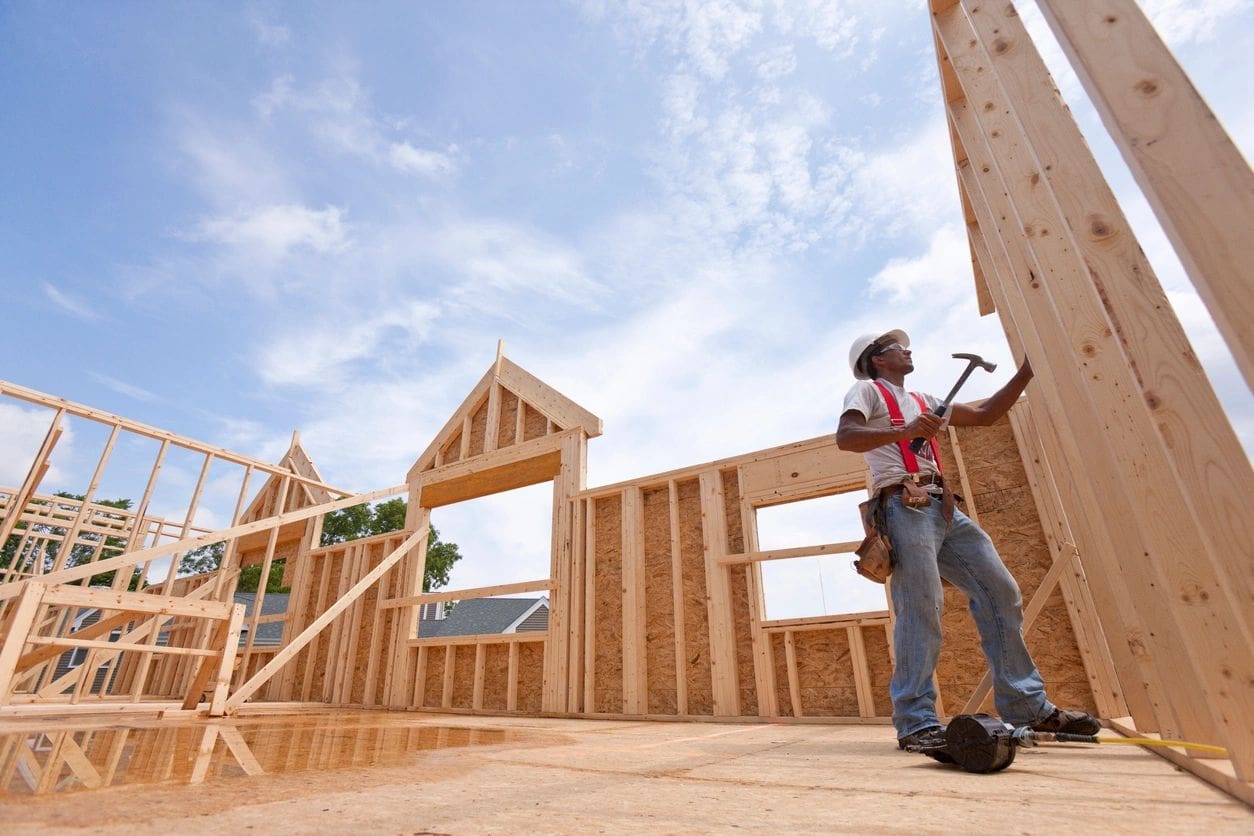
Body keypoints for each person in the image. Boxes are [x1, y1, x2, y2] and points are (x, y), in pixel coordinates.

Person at [836, 328, 1099, 753]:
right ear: (877, 360)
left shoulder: (924, 400)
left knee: (1001, 592)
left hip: (943, 507)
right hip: (903, 504)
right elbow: (846, 438)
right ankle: (916, 722)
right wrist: (903, 433)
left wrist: (1026, 372)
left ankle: (1027, 705)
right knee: (921, 606)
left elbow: (986, 413)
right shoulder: (866, 392)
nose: (907, 349)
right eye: (897, 347)